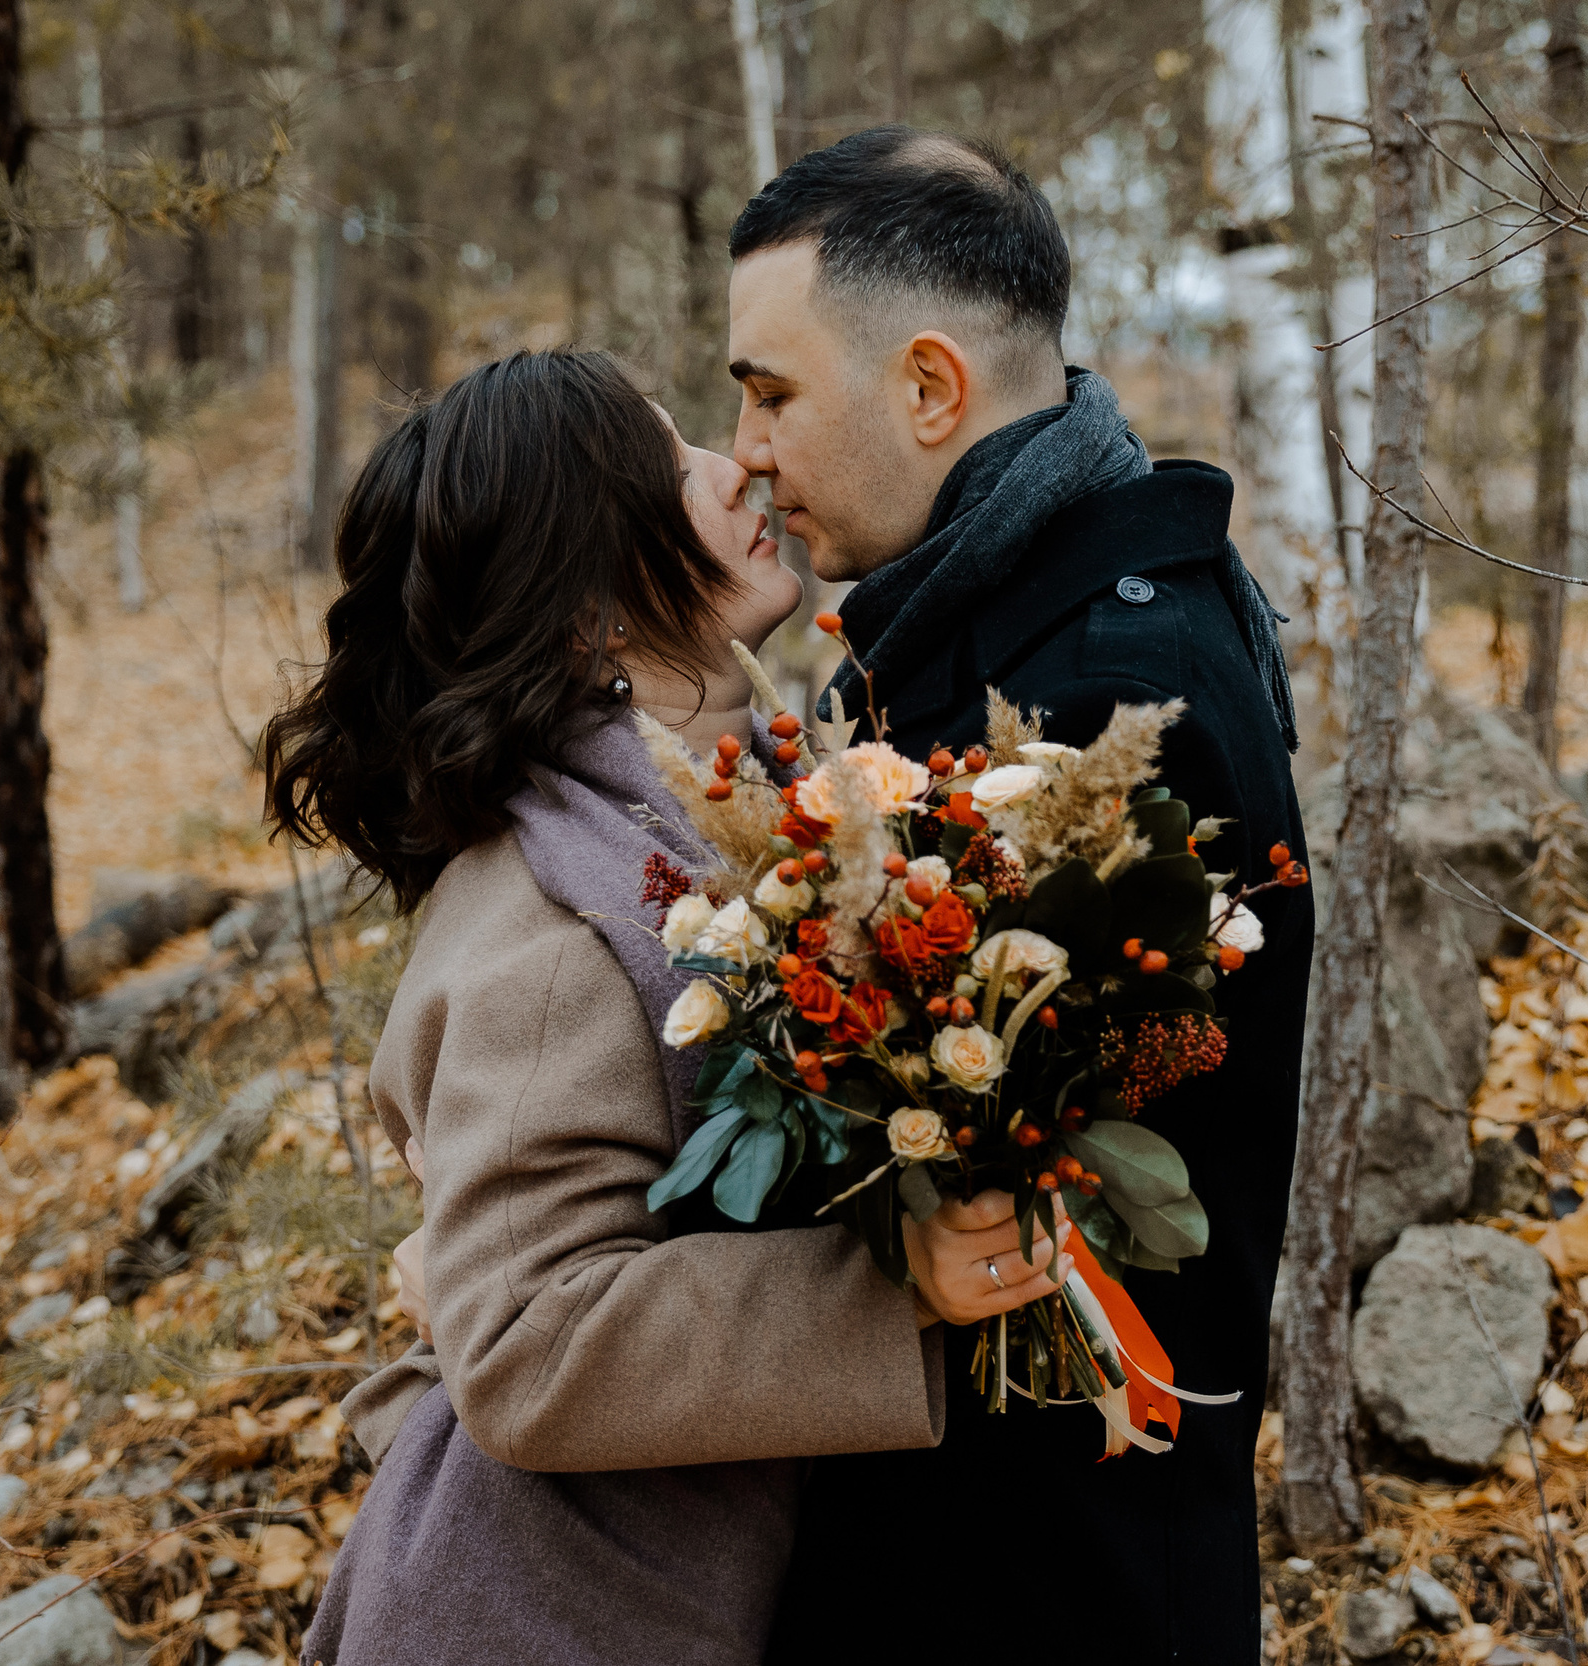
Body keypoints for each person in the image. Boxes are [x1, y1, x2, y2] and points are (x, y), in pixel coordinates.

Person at [261, 350, 1073, 1666]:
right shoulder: (556, 922)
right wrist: (894, 1287)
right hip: (533, 1622)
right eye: (672, 468)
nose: (737, 463)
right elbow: (524, 1341)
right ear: (589, 616)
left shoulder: (677, 822)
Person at [726, 127, 1313, 1663]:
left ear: (930, 387)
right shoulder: (1029, 612)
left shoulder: (1094, 695)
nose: (747, 449)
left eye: (771, 392)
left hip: (1039, 1579)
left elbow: (975, 1191)